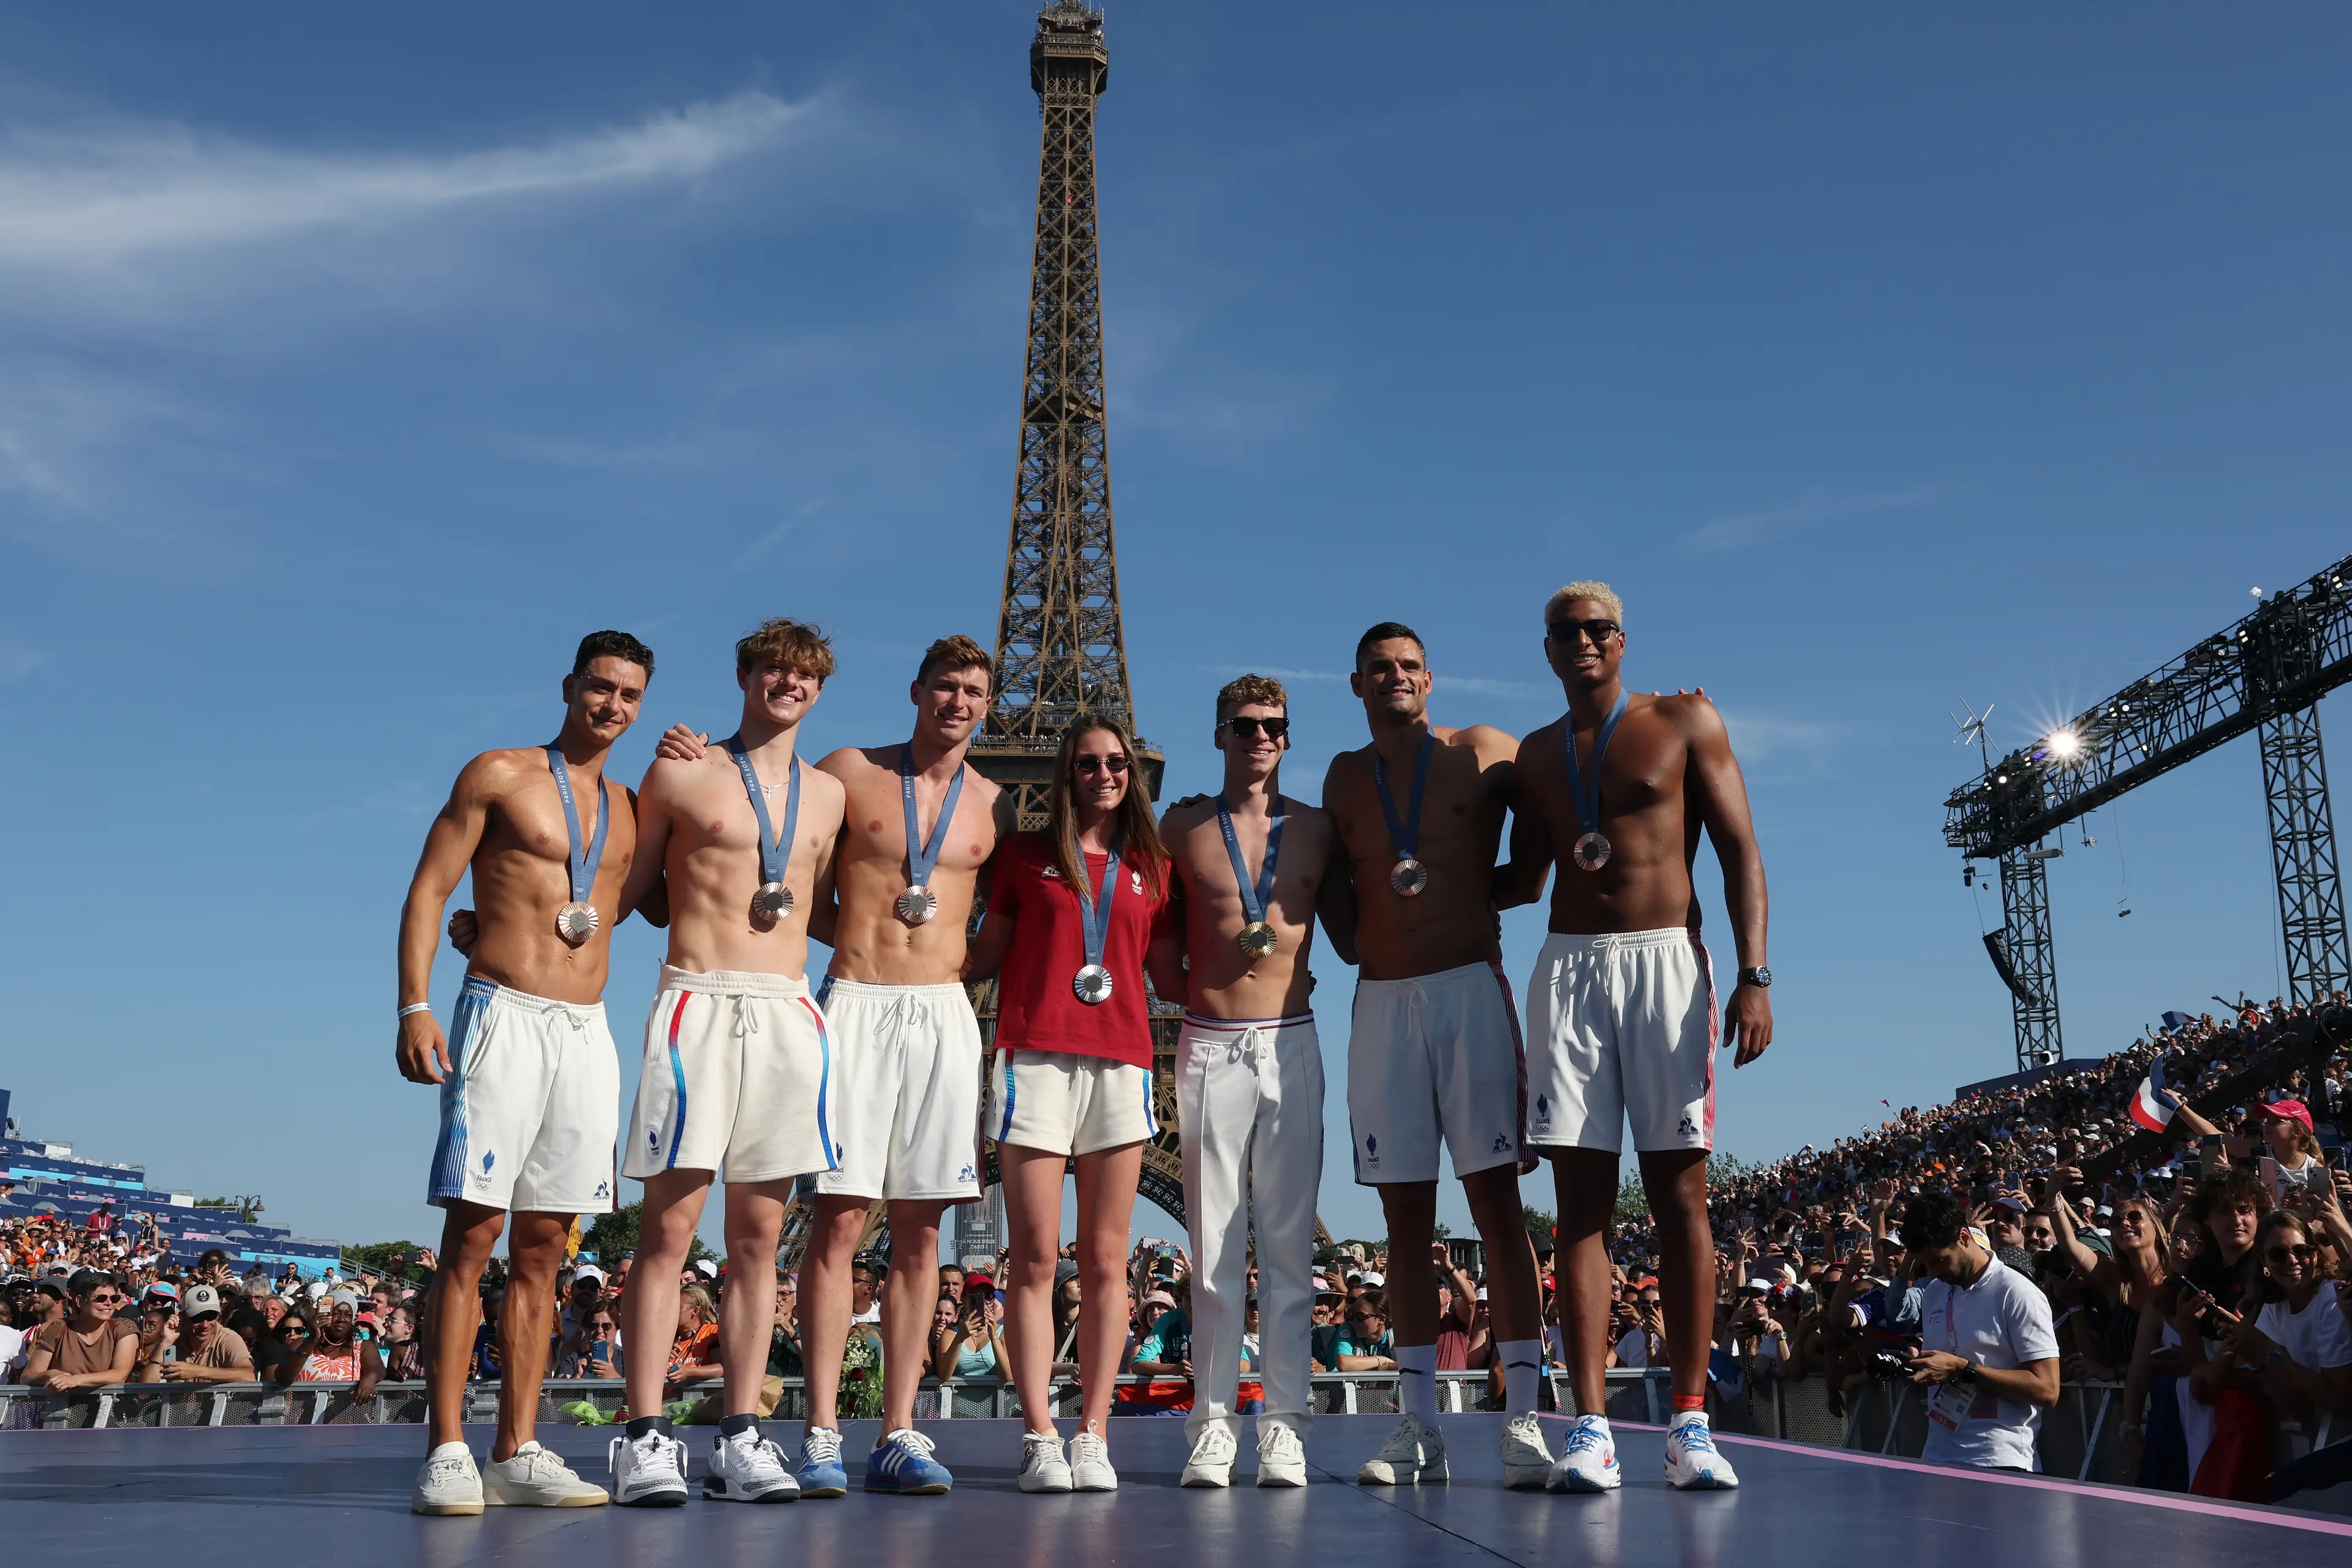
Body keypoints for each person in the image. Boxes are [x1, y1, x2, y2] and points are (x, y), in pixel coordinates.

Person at [658, 633, 1011, 1497]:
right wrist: (693, 751)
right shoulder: (850, 770)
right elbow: (774, 830)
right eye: (944, 687)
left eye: (972, 691)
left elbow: (1001, 920)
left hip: (941, 1013)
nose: (957, 703)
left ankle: (897, 1431)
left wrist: (954, 973)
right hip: (853, 1001)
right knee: (841, 1224)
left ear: (987, 705)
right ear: (916, 691)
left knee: (923, 1232)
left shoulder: (996, 805)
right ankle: (820, 1430)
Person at [1500, 582, 1771, 1492]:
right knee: (1581, 1202)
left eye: (1598, 630)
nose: (1582, 642)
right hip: (1569, 962)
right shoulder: (1534, 756)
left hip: (1666, 960)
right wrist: (1388, 876)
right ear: (1546, 649)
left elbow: (1740, 849)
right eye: (1566, 632)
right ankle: (1591, 1425)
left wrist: (1754, 974)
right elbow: (1524, 879)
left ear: (1622, 640)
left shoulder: (1685, 719)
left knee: (1680, 1196)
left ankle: (1690, 1421)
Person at [395, 630, 652, 1513]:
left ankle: (520, 1446)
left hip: (586, 1030)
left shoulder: (631, 806)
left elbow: (677, 892)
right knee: (472, 1238)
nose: (612, 705)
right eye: (600, 687)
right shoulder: (498, 774)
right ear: (570, 686)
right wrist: (413, 1004)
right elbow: (432, 887)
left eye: (629, 695)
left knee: (547, 1248)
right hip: (500, 1012)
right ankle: (447, 1448)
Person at [605, 620, 850, 1507]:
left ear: (820, 691)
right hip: (697, 1001)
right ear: (745, 676)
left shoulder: (831, 794)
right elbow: (620, 890)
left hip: (788, 1008)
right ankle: (641, 1435)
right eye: (774, 669)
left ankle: (742, 1431)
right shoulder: (680, 770)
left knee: (756, 1243)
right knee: (668, 1232)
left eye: (806, 675)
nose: (789, 684)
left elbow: (846, 906)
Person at [1324, 622, 1550, 1489]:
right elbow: (1337, 882)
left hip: (1466, 986)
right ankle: (1418, 1425)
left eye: (1411, 667)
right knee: (1402, 1224)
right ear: (1357, 684)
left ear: (1432, 678)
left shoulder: (1486, 750)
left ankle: (1524, 1418)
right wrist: (1359, 941)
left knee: (1497, 1207)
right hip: (1382, 999)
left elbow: (1547, 840)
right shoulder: (1345, 776)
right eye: (1381, 669)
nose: (1397, 679)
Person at [1151, 674, 1354, 1488]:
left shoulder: (1318, 828)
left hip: (1290, 1036)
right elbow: (1157, 936)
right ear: (1219, 735)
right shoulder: (1181, 825)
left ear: (1288, 735)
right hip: (1208, 1038)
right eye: (1242, 726)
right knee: (1211, 1252)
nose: (1258, 737)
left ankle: (1284, 1428)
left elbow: (1353, 926)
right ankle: (1210, 1425)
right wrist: (1192, 993)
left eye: (1272, 725)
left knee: (1287, 1247)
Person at [967, 713, 1175, 1494]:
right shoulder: (1023, 855)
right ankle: (1038, 1432)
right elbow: (984, 954)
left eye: (1116, 762)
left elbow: (1168, 972)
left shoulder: (1153, 865)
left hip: (1122, 1059)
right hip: (1036, 1057)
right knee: (1032, 1255)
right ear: (1064, 773)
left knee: (1107, 1259)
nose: (1103, 774)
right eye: (1087, 763)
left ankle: (1093, 1429)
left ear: (1133, 771)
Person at [1897, 1192, 2061, 1472]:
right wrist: (1919, 1364)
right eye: (1926, 1265)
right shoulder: (1935, 1291)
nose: (1934, 1272)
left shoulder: (2017, 1292)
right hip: (1937, 1457)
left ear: (1963, 1238)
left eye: (1939, 1261)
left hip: (2000, 1462)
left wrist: (1963, 1370)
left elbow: (2048, 1389)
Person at [2230, 1210, 2352, 1426]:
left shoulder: (2333, 1300)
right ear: (2263, 1261)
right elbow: (2300, 1412)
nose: (2292, 1260)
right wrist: (2258, 1359)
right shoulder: (2272, 1309)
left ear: (2315, 1255)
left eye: (2301, 1250)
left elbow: (2339, 1402)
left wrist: (2268, 1354)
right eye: (2278, 1254)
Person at [21, 1270, 139, 1390]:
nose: (108, 1303)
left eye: (114, 1298)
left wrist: (75, 1380)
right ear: (80, 1301)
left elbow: (119, 1375)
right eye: (101, 1298)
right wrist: (49, 1375)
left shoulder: (123, 1328)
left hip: (107, 1407)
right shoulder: (59, 1328)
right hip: (58, 1406)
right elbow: (27, 1376)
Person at [135, 1285, 252, 1383]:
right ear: (183, 1317)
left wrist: (198, 1371)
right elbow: (144, 1391)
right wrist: (166, 1341)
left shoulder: (228, 1339)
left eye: (211, 1316)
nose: (205, 1325)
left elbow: (250, 1377)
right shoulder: (174, 1339)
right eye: (198, 1317)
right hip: (175, 1411)